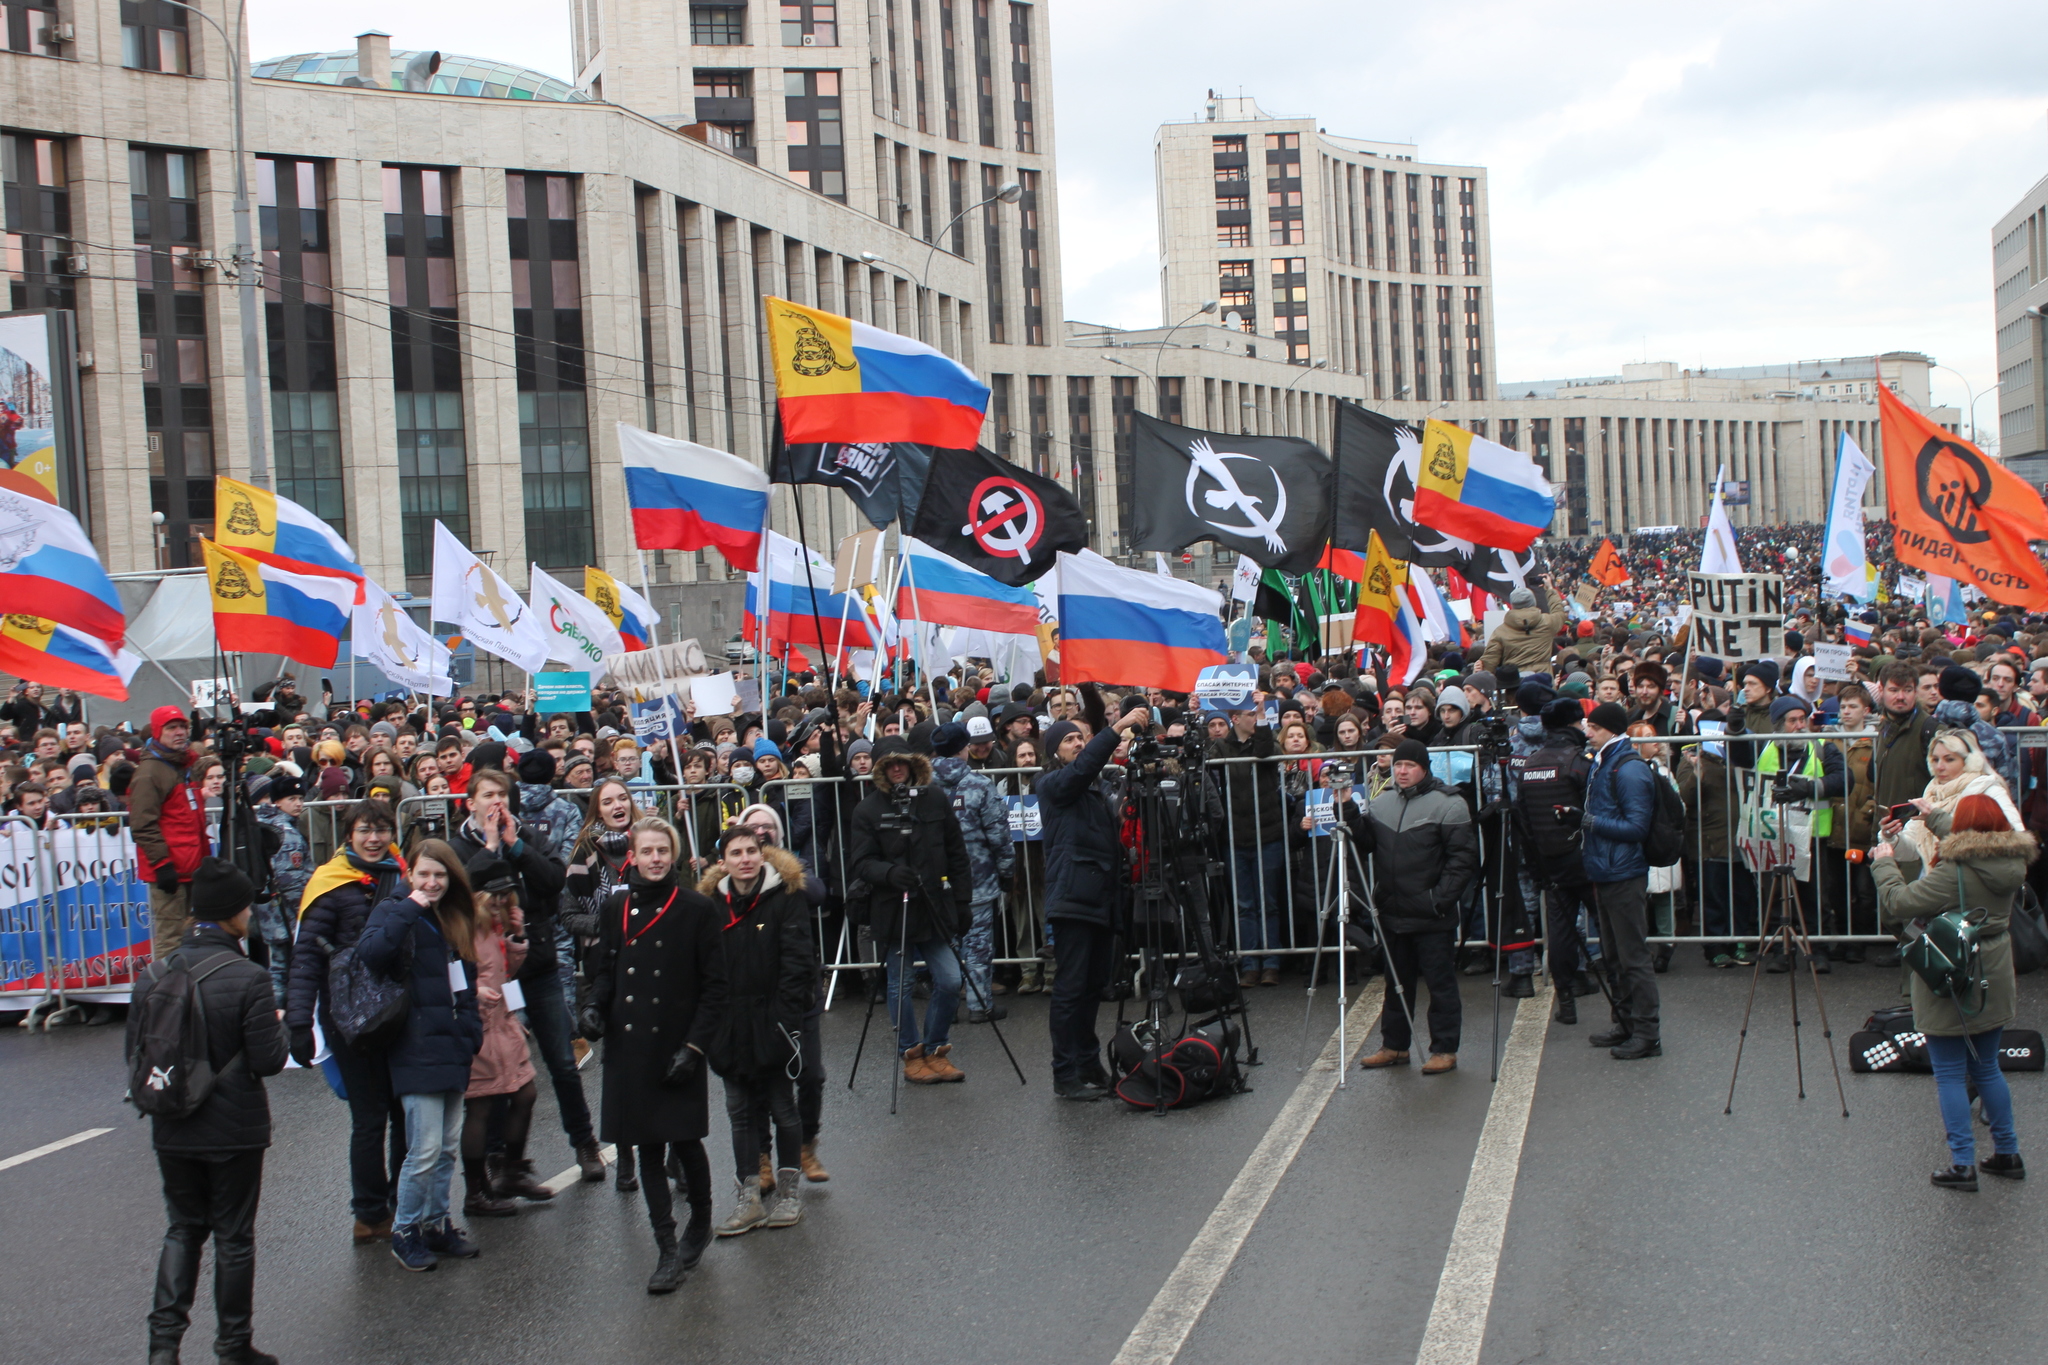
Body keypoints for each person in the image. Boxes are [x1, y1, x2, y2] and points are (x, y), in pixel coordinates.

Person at [131, 858, 289, 1365]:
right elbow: (268, 1060)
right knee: (233, 1236)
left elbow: (138, 1053)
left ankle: (163, 1348)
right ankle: (233, 1345)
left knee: (182, 1228)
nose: (252, 913)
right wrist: (281, 1026)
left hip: (171, 1121)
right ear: (230, 915)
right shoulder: (248, 977)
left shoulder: (153, 973)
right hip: (234, 1127)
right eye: (247, 905)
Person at [580, 817, 726, 1294]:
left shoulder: (697, 908)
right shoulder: (616, 907)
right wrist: (594, 1009)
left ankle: (700, 1223)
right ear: (634, 857)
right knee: (646, 1147)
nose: (655, 859)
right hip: (630, 1048)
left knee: (684, 1141)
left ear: (675, 855)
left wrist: (694, 1047)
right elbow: (606, 971)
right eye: (647, 851)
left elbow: (714, 988)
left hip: (678, 1044)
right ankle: (665, 1248)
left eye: (663, 850)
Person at [1871, 792, 2032, 1191]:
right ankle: (2007, 1152)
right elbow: (1971, 840)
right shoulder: (2011, 862)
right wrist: (1934, 817)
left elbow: (1900, 901)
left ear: (1964, 829)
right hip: (1994, 967)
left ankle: (1962, 1163)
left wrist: (1884, 864)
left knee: (1948, 1073)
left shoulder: (1953, 874)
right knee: (1988, 1067)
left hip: (1953, 971)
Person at [448, 769, 602, 1181]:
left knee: (562, 1063)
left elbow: (554, 882)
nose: (496, 802)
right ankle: (499, 1159)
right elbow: (462, 893)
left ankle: (584, 1142)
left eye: (502, 794)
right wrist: (492, 846)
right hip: (487, 976)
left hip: (535, 964)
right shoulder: (458, 846)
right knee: (495, 1075)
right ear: (470, 803)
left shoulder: (526, 836)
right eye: (487, 795)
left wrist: (514, 846)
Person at [285, 802, 411, 1243]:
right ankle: (369, 1212)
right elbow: (303, 959)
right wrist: (298, 1021)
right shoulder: (328, 883)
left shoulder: (406, 874)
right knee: (369, 1116)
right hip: (348, 1017)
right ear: (349, 834)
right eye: (364, 830)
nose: (374, 839)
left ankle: (405, 1204)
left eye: (381, 830)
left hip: (399, 1013)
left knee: (405, 1112)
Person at [355, 839, 483, 1271]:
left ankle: (436, 1223)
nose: (432, 882)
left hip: (451, 1046)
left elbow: (465, 981)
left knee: (447, 1147)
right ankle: (405, 1230)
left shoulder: (455, 917)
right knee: (424, 1148)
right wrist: (412, 905)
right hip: (414, 1046)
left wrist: (470, 1034)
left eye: (440, 875)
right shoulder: (394, 909)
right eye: (424, 873)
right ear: (409, 873)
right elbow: (371, 955)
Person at [701, 825, 816, 1235]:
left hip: (774, 1022)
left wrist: (783, 1022)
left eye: (752, 851)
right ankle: (747, 1197)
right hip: (729, 1025)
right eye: (736, 853)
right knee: (740, 1113)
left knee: (782, 1107)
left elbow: (798, 963)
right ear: (724, 861)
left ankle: (788, 1195)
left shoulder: (786, 897)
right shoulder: (710, 905)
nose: (745, 859)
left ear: (762, 855)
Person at [1035, 700, 1150, 1098]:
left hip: (1100, 899)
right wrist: (1115, 727)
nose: (1078, 745)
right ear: (1054, 751)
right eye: (1069, 740)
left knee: (1091, 987)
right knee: (1070, 989)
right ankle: (1064, 1073)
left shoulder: (1095, 790)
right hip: (1073, 899)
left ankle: (1088, 1063)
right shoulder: (1052, 784)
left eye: (1081, 738)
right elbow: (1081, 771)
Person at [848, 738, 974, 1085]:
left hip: (935, 906)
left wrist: (963, 901)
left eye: (901, 762)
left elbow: (957, 852)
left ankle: (936, 1048)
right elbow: (860, 862)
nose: (897, 769)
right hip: (894, 909)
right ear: (880, 770)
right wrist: (889, 873)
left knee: (950, 979)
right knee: (899, 985)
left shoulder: (934, 798)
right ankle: (911, 1052)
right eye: (889, 765)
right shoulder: (868, 810)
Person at [1353, 738, 1479, 1073]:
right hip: (1393, 910)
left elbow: (1462, 859)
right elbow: (1365, 844)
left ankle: (1445, 1049)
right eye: (1398, 765)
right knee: (1396, 983)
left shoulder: (1449, 803)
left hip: (1430, 913)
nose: (1402, 771)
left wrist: (1438, 900)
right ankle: (1394, 1046)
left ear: (1424, 768)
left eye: (1409, 765)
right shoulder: (1382, 801)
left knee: (1440, 985)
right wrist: (1348, 809)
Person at [458, 867, 553, 1218]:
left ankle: (511, 1172)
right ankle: (475, 1191)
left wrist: (516, 934)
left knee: (525, 1093)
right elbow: (453, 973)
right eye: (494, 896)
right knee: (480, 1107)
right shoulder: (465, 927)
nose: (500, 901)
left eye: (505, 895)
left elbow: (506, 973)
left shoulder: (494, 924)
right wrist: (469, 994)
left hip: (504, 1023)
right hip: (480, 1027)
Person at [1576, 702, 1662, 1060]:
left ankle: (1647, 1033)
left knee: (1633, 956)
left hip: (1624, 873)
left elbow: (1637, 827)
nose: (1587, 732)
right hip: (1606, 871)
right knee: (1613, 955)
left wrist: (1590, 823)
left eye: (1593, 727)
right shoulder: (1605, 761)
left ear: (1609, 729)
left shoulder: (1627, 769)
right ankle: (1625, 1022)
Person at [929, 722, 1015, 1022]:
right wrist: (1007, 872)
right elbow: (999, 836)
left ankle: (947, 1008)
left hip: (935, 882)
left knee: (944, 946)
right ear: (964, 748)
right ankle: (980, 1005)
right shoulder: (979, 785)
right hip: (977, 880)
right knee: (978, 945)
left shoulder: (922, 786)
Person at [1209, 701, 1285, 987]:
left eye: (1257, 714)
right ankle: (1251, 963)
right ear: (1235, 718)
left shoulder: (1263, 740)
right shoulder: (1219, 748)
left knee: (1268, 903)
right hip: (1235, 837)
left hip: (1267, 835)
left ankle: (1272, 962)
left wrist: (1264, 717)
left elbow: (1268, 753)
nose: (1255, 719)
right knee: (1244, 905)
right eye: (1251, 714)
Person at [130, 706, 207, 961]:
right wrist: (162, 864)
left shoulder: (183, 766)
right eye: (171, 728)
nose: (179, 733)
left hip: (191, 868)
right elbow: (142, 824)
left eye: (183, 727)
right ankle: (167, 995)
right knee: (171, 940)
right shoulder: (150, 772)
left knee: (192, 936)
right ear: (157, 732)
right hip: (169, 870)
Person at [252, 774, 309, 1008]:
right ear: (277, 802)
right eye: (291, 798)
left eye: (300, 798)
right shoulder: (288, 834)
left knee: (278, 966)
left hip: (270, 910)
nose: (298, 803)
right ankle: (279, 1015)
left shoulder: (267, 824)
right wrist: (303, 913)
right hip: (284, 913)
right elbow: (291, 880)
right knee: (282, 969)